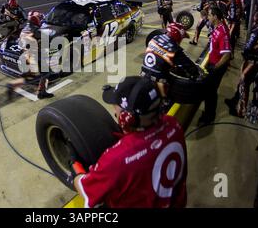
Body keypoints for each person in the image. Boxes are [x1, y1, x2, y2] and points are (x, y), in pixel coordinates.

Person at [69, 76, 188, 208]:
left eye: (116, 109)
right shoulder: (173, 123)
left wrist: (76, 172)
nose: (115, 112)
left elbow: (85, 189)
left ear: (128, 118)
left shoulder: (117, 159)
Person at [225, 12, 258, 117]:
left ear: (257, 20)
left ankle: (241, 111)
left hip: (251, 62)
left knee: (244, 84)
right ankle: (234, 100)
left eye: (255, 19)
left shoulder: (256, 31)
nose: (254, 20)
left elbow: (248, 47)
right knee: (241, 82)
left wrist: (245, 54)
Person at [142, 23, 199, 104]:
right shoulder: (174, 48)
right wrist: (195, 72)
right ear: (178, 36)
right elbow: (189, 65)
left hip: (143, 72)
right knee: (165, 86)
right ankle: (164, 101)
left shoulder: (155, 37)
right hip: (157, 78)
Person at [6, 11, 54, 100]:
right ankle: (40, 92)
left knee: (31, 76)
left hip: (25, 55)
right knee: (43, 73)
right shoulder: (35, 30)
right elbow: (48, 36)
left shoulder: (25, 28)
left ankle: (13, 85)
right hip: (32, 56)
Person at [198, 5, 232, 126]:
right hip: (212, 64)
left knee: (210, 92)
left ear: (215, 17)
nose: (208, 17)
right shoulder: (217, 27)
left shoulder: (222, 32)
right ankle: (208, 113)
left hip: (216, 67)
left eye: (210, 15)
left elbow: (227, 54)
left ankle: (209, 117)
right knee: (208, 90)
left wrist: (215, 67)